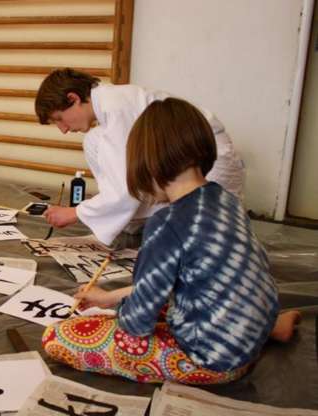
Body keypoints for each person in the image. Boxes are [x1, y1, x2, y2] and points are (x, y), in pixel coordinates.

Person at [41, 98, 300, 384]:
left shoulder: (166, 224)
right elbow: (188, 280)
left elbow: (137, 323)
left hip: (214, 358)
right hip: (250, 327)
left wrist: (114, 316)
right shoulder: (223, 198)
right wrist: (107, 298)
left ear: (146, 162)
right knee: (173, 294)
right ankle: (272, 327)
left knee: (59, 336)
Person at [35, 68, 245, 247]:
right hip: (176, 162)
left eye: (59, 119)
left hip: (208, 164)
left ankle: (130, 215)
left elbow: (124, 188)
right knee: (93, 139)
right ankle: (126, 216)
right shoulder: (108, 105)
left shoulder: (116, 107)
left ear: (73, 98)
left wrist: (75, 213)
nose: (62, 130)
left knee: (199, 246)